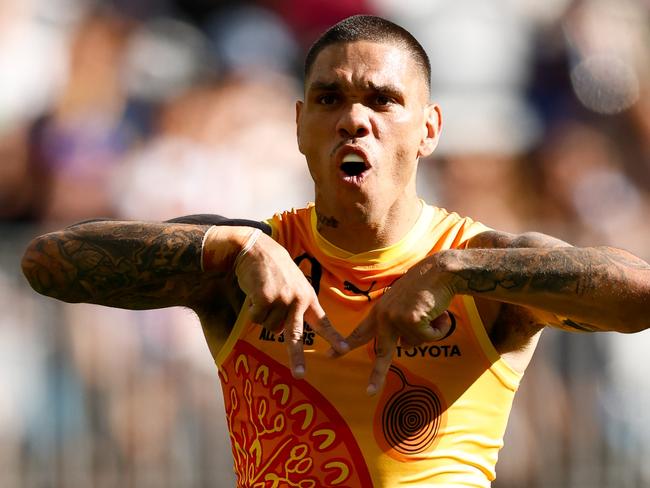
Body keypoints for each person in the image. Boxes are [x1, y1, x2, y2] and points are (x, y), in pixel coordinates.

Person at [21, 15, 649, 488]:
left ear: (429, 128)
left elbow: (640, 294)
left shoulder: (479, 261)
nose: (354, 119)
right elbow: (47, 262)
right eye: (329, 99)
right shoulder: (247, 260)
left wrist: (453, 271)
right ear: (299, 126)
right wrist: (234, 246)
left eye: (382, 99)